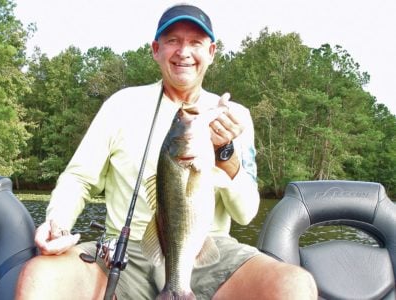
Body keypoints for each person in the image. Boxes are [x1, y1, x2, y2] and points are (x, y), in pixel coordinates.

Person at [16, 4, 317, 299]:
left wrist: (225, 152)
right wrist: (58, 223)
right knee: (39, 275)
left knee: (295, 285)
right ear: (156, 49)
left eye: (195, 42)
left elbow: (246, 213)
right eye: (173, 40)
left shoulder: (233, 116)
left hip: (211, 253)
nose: (183, 52)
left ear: (211, 52)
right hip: (123, 254)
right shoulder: (121, 105)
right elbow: (78, 179)